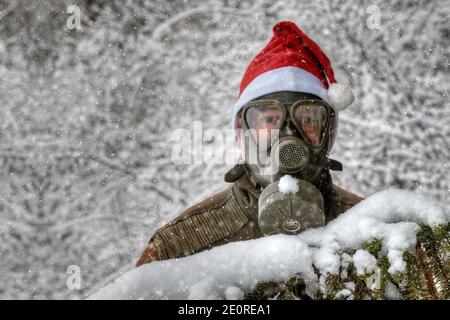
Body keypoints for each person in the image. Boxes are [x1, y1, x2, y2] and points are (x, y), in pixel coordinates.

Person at [136, 21, 362, 266]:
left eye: (307, 119)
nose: (287, 137)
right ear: (242, 133)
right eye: (269, 119)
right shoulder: (176, 248)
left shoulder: (372, 232)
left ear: (328, 134)